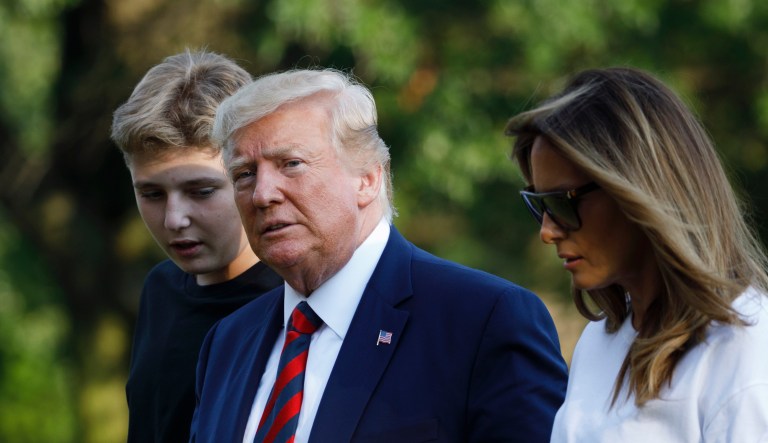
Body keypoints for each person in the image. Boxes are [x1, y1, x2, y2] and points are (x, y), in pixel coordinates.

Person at [188, 68, 568, 443]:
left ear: (367, 178)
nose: (262, 194)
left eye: (291, 164)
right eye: (244, 174)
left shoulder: (484, 320)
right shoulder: (228, 341)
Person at [506, 67, 768, 442]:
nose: (547, 231)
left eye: (561, 203)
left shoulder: (745, 350)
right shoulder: (601, 339)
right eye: (538, 205)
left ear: (637, 189)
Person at [111, 50, 283, 443]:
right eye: (151, 194)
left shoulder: (297, 304)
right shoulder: (160, 288)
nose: (174, 219)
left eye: (201, 191)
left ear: (249, 175)